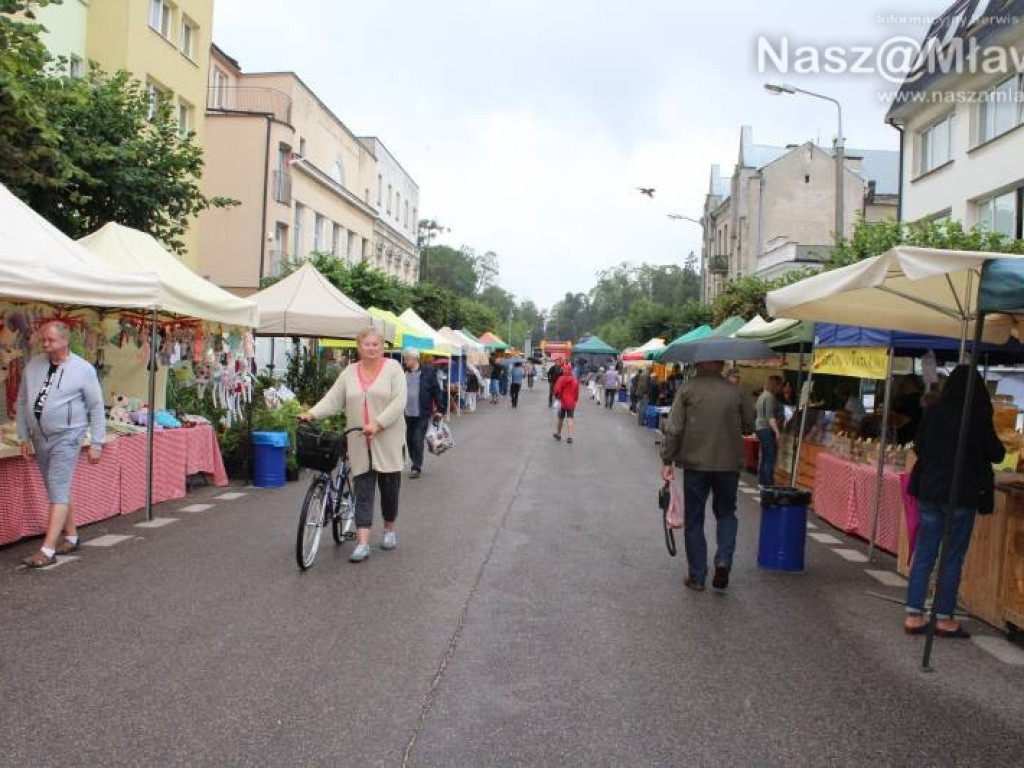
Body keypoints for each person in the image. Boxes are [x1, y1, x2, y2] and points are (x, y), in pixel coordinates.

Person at [905, 365, 1004, 638]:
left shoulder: (933, 411)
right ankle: (944, 618)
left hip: (930, 491)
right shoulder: (978, 415)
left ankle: (914, 614)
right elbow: (996, 453)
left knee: (925, 552)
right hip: (961, 495)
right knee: (951, 557)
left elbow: (919, 445)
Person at [298, 327, 407, 562]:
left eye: (376, 344)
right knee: (363, 489)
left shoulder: (393, 369)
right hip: (358, 439)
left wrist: (378, 424)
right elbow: (333, 399)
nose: (371, 348)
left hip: (387, 438)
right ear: (359, 346)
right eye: (367, 344)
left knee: (389, 489)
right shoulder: (349, 372)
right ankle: (363, 543)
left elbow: (399, 402)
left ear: (382, 347)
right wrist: (311, 414)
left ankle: (389, 528)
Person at [661, 360, 755, 592]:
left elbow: (674, 429)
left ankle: (697, 576)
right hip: (728, 464)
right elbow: (748, 426)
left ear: (699, 364)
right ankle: (723, 560)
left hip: (695, 464)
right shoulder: (736, 391)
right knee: (726, 514)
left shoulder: (687, 389)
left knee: (694, 519)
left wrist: (667, 459)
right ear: (721, 364)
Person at [16, 321, 105, 568]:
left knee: (57, 486)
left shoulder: (83, 369)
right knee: (58, 489)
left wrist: (97, 442)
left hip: (68, 436)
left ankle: (47, 549)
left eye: (51, 340)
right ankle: (72, 536)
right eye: (43, 339)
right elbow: (22, 400)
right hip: (39, 437)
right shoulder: (33, 365)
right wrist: (23, 435)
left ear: (65, 341)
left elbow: (96, 406)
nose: (45, 344)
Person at [400, 348, 443, 479]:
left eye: (407, 359)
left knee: (417, 439)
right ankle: (415, 460)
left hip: (422, 412)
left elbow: (437, 390)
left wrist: (440, 409)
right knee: (409, 440)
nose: (405, 361)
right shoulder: (403, 372)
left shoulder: (428, 371)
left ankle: (416, 466)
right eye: (405, 359)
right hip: (406, 413)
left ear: (415, 359)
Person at [755, 376, 785, 487]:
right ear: (775, 385)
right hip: (767, 429)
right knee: (770, 457)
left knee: (765, 456)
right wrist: (777, 432)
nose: (781, 387)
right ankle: (768, 484)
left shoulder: (762, 396)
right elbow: (770, 417)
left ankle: (762, 482)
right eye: (780, 385)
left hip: (760, 428)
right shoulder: (770, 397)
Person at [552, 366, 580, 444]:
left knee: (560, 418)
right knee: (570, 418)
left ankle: (558, 434)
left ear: (564, 371)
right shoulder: (575, 379)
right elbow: (577, 392)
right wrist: (575, 400)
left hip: (563, 402)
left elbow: (557, 390)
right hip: (571, 402)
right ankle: (570, 436)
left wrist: (557, 397)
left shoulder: (561, 379)